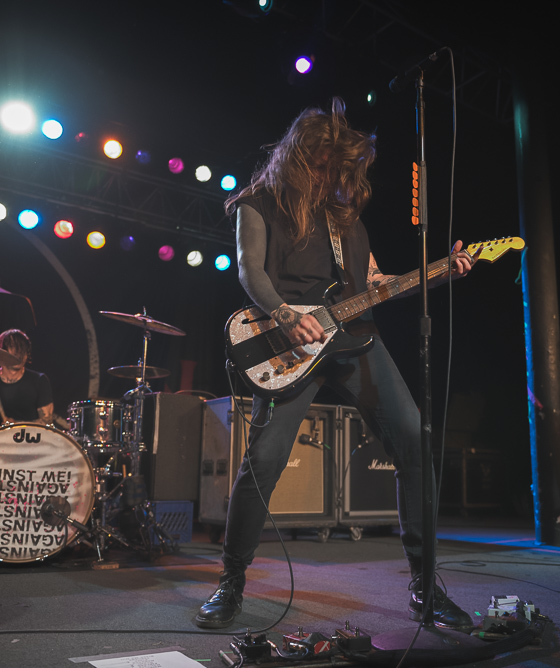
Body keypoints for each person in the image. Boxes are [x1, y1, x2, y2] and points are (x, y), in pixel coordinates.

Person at [195, 98, 476, 630]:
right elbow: (250, 271)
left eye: (337, 168)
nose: (330, 176)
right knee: (265, 460)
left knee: (415, 440)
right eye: (322, 165)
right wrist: (283, 315)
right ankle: (231, 581)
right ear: (298, 156)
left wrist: (440, 273)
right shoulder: (259, 202)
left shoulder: (345, 215)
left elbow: (376, 283)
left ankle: (425, 587)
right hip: (290, 345)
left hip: (357, 340)